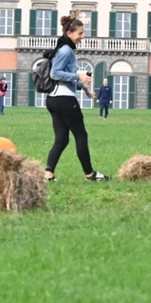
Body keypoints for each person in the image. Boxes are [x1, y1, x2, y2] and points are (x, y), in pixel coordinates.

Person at [45, 15, 109, 182]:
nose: (82, 36)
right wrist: (78, 76)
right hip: (65, 100)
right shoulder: (66, 50)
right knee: (81, 135)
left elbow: (61, 78)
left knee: (61, 138)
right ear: (69, 33)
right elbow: (55, 73)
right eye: (80, 33)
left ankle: (48, 174)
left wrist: (83, 87)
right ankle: (90, 174)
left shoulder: (62, 48)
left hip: (53, 99)